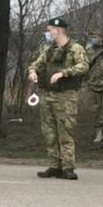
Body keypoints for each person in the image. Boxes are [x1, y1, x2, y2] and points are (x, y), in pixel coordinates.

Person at [26, 17, 89, 180]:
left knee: (65, 131)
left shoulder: (75, 48)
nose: (48, 33)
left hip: (66, 96)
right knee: (49, 132)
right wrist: (33, 72)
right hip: (48, 96)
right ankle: (55, 165)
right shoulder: (49, 50)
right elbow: (35, 64)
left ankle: (68, 167)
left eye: (49, 30)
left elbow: (83, 66)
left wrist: (64, 73)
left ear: (59, 30)